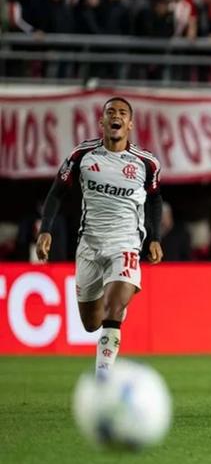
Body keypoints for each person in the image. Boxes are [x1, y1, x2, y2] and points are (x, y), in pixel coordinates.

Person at [36, 98, 163, 377]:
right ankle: (112, 315)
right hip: (90, 246)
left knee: (113, 309)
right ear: (101, 122)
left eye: (122, 113)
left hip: (126, 243)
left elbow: (154, 200)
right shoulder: (82, 155)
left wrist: (154, 237)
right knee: (91, 323)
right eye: (110, 112)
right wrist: (45, 229)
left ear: (129, 124)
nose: (115, 116)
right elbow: (57, 192)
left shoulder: (146, 162)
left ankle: (103, 377)